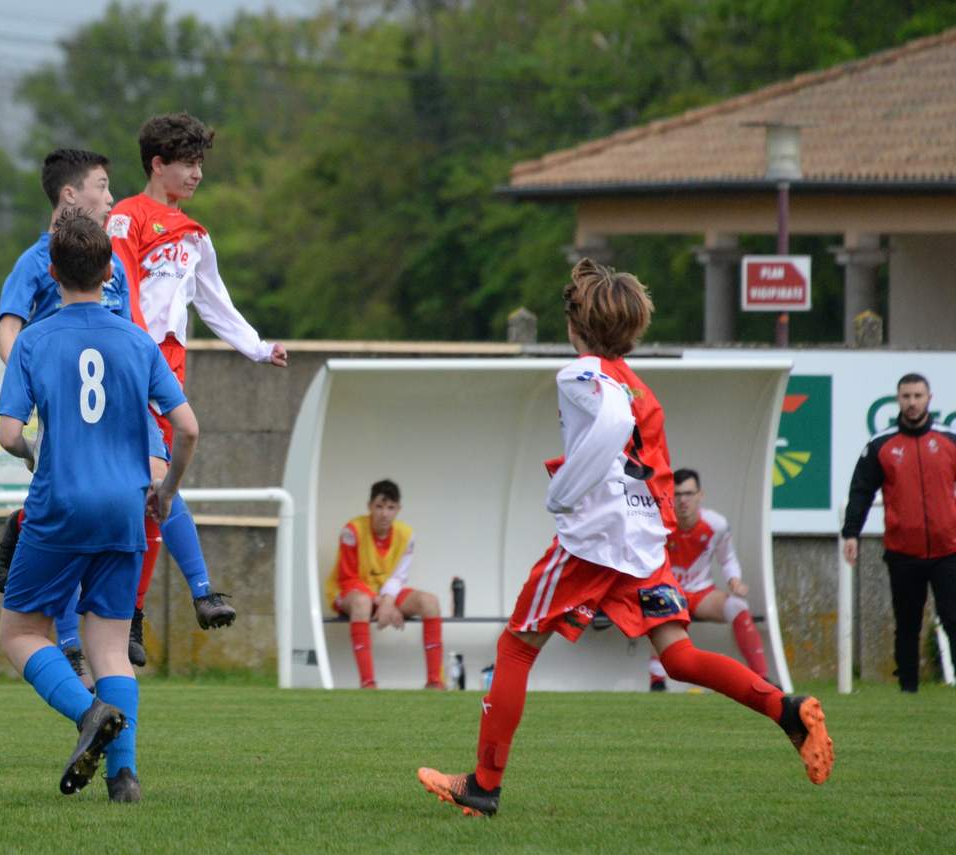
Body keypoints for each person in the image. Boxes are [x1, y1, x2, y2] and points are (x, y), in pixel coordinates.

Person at [417, 259, 833, 818]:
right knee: (681, 657)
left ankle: (484, 785)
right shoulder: (642, 389)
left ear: (575, 325)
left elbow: (610, 425)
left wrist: (564, 490)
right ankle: (786, 708)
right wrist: (653, 529)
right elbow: (654, 466)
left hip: (594, 543)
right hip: (642, 544)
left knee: (517, 645)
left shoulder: (581, 374)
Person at [0, 212, 199, 803]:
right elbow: (186, 427)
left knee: (21, 630)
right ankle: (124, 777)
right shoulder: (137, 340)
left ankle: (88, 713)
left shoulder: (35, 340)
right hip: (124, 509)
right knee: (111, 644)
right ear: (111, 271)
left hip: (60, 503)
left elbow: (10, 434)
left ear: (54, 273)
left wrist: (36, 453)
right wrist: (165, 493)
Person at [106, 112, 288, 662]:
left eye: (201, 164)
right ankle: (199, 591)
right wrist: (135, 349)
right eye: (187, 163)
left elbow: (214, 302)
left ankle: (134, 617)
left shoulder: (195, 235)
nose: (197, 174)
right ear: (158, 164)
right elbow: (122, 284)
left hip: (170, 369)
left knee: (153, 496)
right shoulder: (125, 217)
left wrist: (256, 346)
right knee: (155, 484)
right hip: (129, 363)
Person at [0, 148, 130, 690]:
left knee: (83, 522)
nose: (111, 196)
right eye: (101, 184)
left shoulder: (108, 259)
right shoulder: (36, 262)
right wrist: (32, 378)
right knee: (89, 517)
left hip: (112, 413)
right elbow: (8, 330)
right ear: (70, 195)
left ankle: (90, 655)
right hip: (68, 418)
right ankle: (83, 651)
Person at [842, 372, 956, 693]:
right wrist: (851, 533)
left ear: (929, 399)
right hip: (903, 552)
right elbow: (861, 491)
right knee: (907, 625)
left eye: (918, 396)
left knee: (954, 620)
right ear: (898, 400)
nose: (912, 403)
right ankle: (908, 690)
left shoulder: (949, 440)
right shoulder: (881, 445)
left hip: (948, 550)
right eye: (906, 396)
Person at [647, 468, 768, 691]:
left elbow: (728, 558)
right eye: (677, 494)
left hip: (701, 593)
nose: (683, 501)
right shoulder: (658, 524)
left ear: (700, 495)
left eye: (689, 494)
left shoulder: (716, 525)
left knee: (738, 606)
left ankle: (762, 680)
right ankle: (657, 682)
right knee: (660, 608)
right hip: (669, 593)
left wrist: (734, 580)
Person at [324, 480, 444, 689]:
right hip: (349, 592)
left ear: (398, 509)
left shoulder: (407, 535)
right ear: (369, 506)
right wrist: (383, 603)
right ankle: (368, 683)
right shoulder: (351, 531)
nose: (384, 514)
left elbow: (399, 576)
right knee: (361, 603)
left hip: (386, 593)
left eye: (390, 508)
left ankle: (435, 682)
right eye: (379, 507)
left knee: (430, 602)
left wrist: (387, 602)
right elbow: (348, 577)